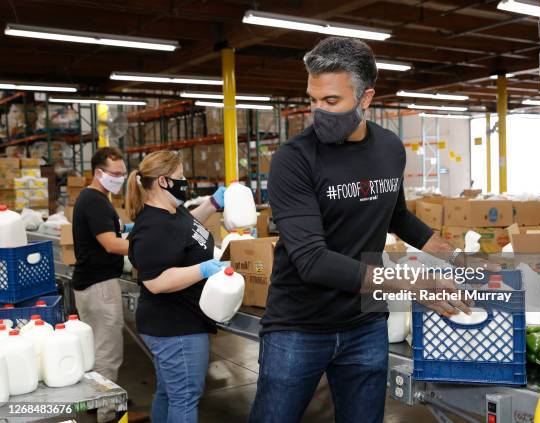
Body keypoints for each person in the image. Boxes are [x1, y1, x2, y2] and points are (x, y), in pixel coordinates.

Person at [249, 37, 485, 423]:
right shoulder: (293, 160)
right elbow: (312, 260)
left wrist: (461, 259)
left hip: (365, 322)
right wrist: (413, 283)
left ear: (366, 98)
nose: (318, 112)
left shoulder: (389, 148)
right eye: (312, 99)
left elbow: (398, 217)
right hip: (300, 326)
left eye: (331, 101)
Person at [126, 150, 225, 423]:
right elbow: (156, 282)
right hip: (175, 326)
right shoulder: (153, 227)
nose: (185, 182)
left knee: (170, 393)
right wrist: (203, 269)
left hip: (178, 322)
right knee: (184, 397)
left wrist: (213, 203)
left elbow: (188, 227)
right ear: (162, 181)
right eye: (180, 177)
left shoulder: (173, 211)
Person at [71, 146, 129, 423]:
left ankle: (96, 403)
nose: (120, 178)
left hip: (89, 283)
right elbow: (110, 244)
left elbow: (110, 233)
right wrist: (148, 244)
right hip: (100, 285)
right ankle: (108, 415)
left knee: (96, 351)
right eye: (115, 174)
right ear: (99, 172)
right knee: (108, 354)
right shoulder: (94, 200)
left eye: (123, 173)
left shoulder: (95, 198)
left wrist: (127, 232)